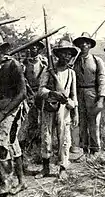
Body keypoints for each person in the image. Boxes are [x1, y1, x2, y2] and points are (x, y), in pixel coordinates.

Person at [0, 33, 27, 195]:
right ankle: (21, 181)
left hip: (12, 106)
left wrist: (4, 112)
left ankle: (8, 181)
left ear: (3, 49)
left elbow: (22, 93)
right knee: (11, 143)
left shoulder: (13, 65)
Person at [35, 40, 78, 179]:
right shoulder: (49, 71)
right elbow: (41, 90)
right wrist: (52, 94)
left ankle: (63, 167)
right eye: (63, 53)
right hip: (49, 107)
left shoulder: (71, 73)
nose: (66, 56)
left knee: (64, 137)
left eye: (69, 54)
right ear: (58, 55)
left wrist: (75, 112)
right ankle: (45, 167)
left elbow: (73, 94)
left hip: (64, 109)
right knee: (46, 136)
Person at [73, 32, 105, 156]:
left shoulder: (97, 60)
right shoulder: (74, 61)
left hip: (92, 93)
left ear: (90, 45)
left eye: (86, 43)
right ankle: (84, 149)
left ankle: (95, 149)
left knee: (93, 123)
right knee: (81, 122)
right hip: (78, 93)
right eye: (81, 43)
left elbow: (102, 79)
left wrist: (101, 98)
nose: (83, 45)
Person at [20, 38, 48, 162]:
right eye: (31, 47)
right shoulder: (24, 63)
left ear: (39, 49)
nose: (33, 49)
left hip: (42, 92)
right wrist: (29, 92)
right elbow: (22, 79)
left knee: (43, 119)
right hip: (30, 92)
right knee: (32, 119)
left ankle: (43, 146)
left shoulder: (44, 62)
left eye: (36, 47)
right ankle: (31, 144)